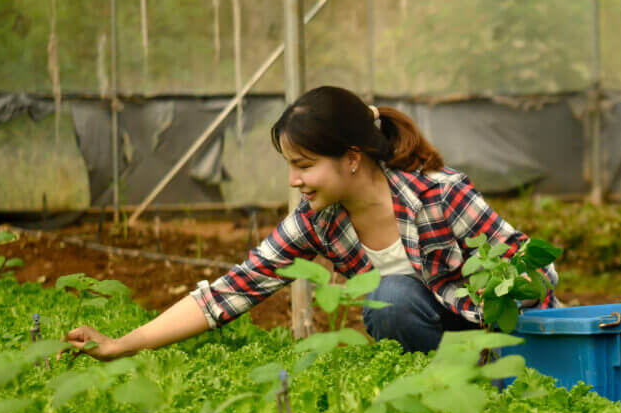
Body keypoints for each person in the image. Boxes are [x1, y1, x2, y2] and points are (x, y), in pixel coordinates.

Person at [65, 85, 558, 360]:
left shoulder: (440, 195)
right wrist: (125, 344)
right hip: (440, 350)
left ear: (350, 158)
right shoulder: (319, 223)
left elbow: (537, 275)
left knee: (389, 297)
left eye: (303, 165)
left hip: (503, 341)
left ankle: (491, 383)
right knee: (390, 301)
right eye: (289, 166)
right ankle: (443, 393)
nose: (294, 180)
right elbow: (234, 288)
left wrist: (505, 292)